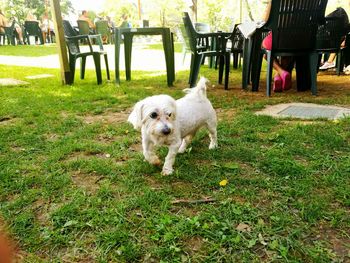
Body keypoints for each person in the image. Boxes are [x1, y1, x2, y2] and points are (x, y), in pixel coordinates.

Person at [261, 1, 292, 92]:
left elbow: (263, 21)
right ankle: (278, 77)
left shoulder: (274, 1)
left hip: (276, 39)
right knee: (288, 53)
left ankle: (281, 72)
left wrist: (269, 4)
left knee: (265, 50)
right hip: (299, 40)